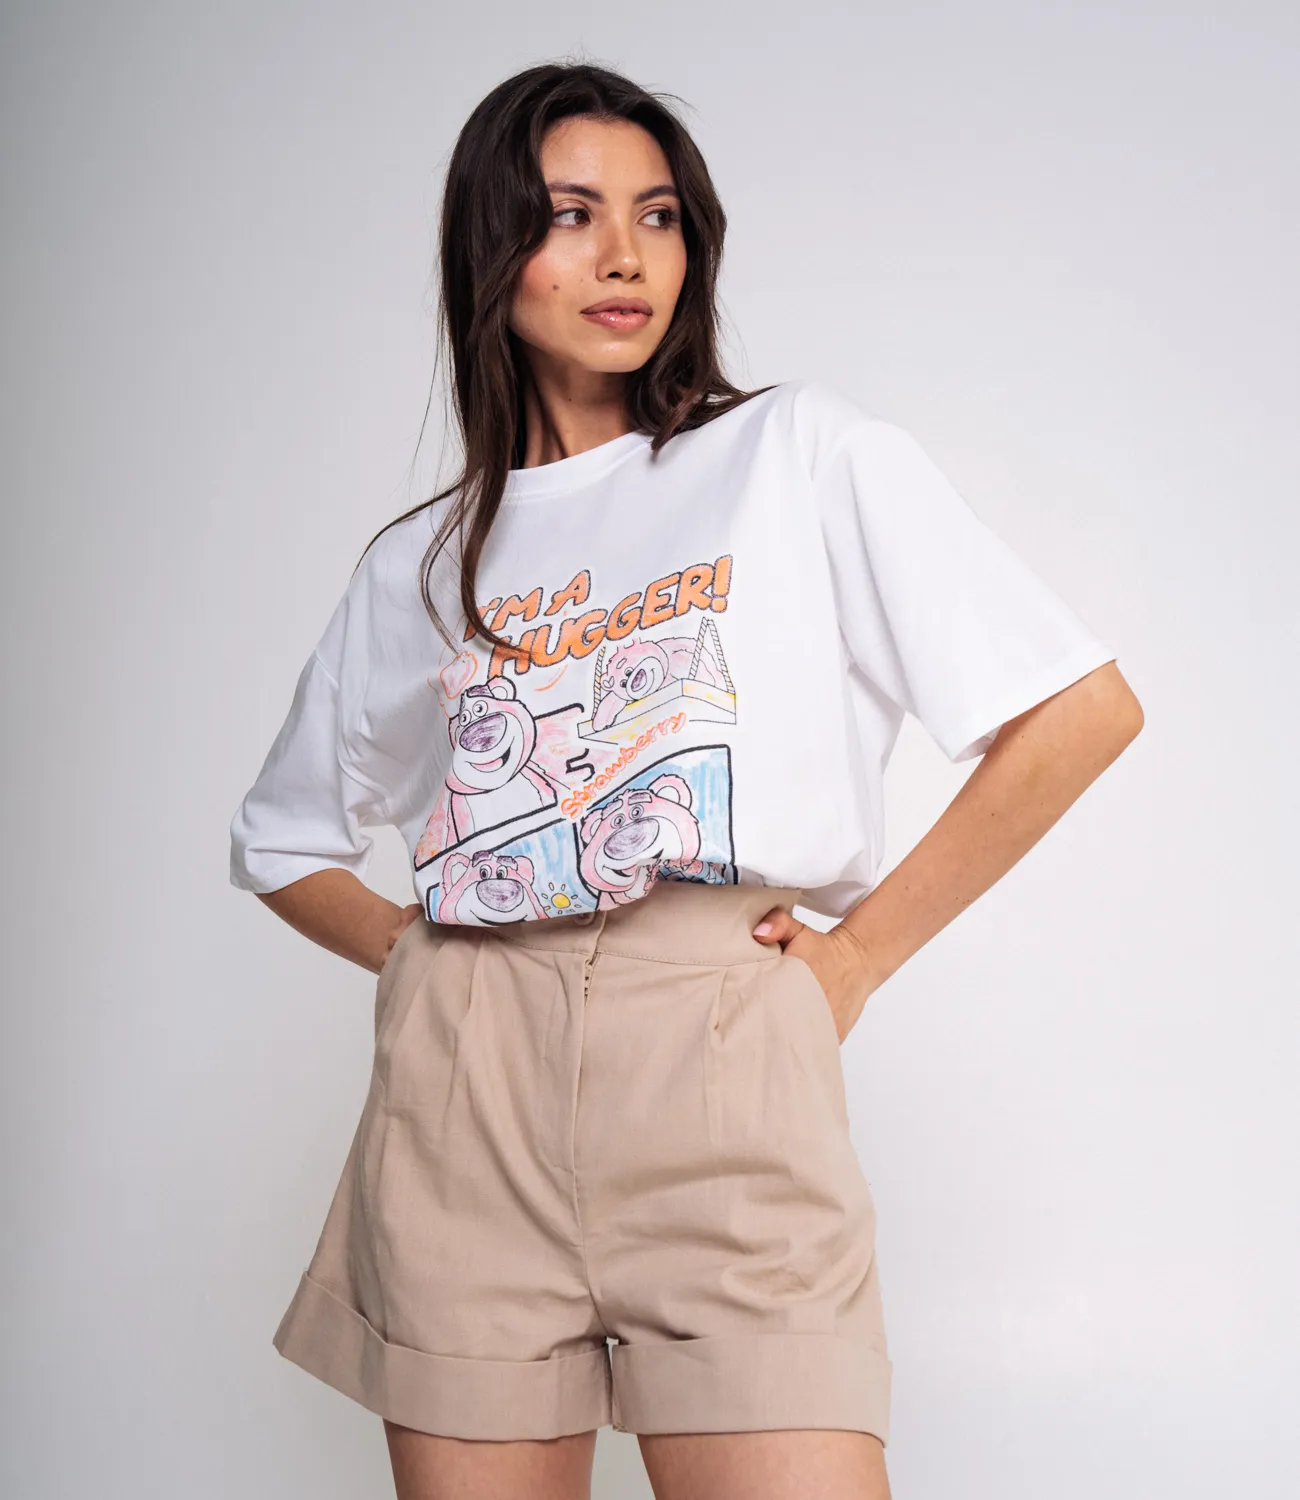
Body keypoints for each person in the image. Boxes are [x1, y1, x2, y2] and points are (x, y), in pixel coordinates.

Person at [229, 60, 1143, 1500]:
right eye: (571, 213)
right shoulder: (417, 564)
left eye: (656, 216)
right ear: (490, 247)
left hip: (723, 1064)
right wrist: (429, 964)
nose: (624, 256)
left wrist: (859, 959)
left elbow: (1080, 712)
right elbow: (282, 841)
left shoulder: (794, 451)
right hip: (466, 1111)